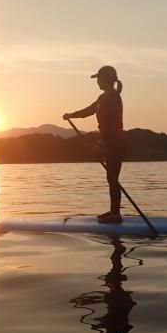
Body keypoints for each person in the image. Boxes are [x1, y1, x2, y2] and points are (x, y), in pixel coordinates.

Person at [63, 65, 127, 223]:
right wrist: (72, 115)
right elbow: (89, 110)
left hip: (115, 141)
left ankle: (116, 215)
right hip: (110, 141)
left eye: (98, 78)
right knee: (111, 177)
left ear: (105, 79)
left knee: (112, 177)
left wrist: (102, 143)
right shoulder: (104, 97)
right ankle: (114, 211)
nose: (96, 81)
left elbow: (110, 123)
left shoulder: (112, 97)